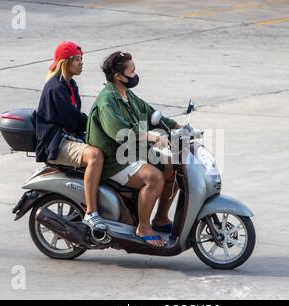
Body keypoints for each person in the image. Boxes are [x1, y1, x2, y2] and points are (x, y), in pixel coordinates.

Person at [86, 51, 182, 247]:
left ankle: (161, 219)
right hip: (115, 159)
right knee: (154, 177)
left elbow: (150, 114)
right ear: (118, 76)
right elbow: (119, 133)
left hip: (134, 152)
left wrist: (178, 127)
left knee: (176, 167)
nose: (135, 75)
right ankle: (144, 228)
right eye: (132, 71)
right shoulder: (107, 102)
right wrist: (152, 137)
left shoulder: (127, 94)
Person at [35, 41, 105, 231]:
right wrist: (95, 124)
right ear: (65, 62)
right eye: (77, 60)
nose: (81, 63)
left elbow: (75, 118)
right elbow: (72, 119)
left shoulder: (70, 84)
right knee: (95, 157)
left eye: (82, 59)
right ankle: (92, 212)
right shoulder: (56, 88)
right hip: (56, 142)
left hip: (68, 135)